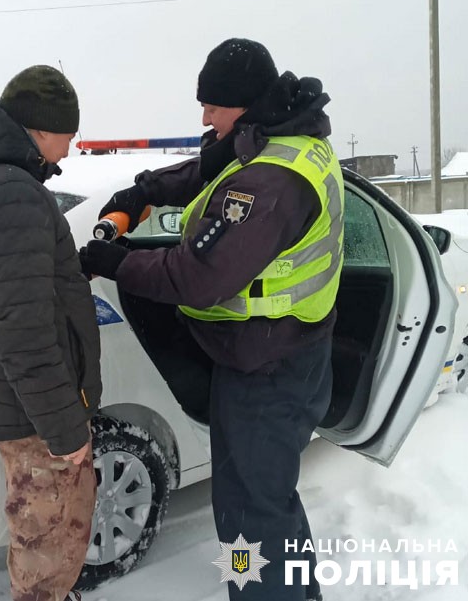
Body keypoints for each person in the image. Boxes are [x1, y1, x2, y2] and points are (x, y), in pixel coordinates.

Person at [79, 38, 343, 601]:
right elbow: (210, 169)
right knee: (271, 499)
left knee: (250, 517)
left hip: (268, 371)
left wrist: (117, 261)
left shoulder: (271, 184)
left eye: (213, 107)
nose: (205, 117)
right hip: (285, 352)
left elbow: (197, 275)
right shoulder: (282, 140)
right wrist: (145, 191)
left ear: (244, 105)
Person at [0, 65, 101, 601]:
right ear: (42, 128)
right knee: (49, 542)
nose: (68, 152)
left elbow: (13, 293)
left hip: (19, 402)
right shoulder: (12, 193)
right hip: (36, 412)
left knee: (39, 534)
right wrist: (65, 428)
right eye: (67, 137)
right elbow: (24, 328)